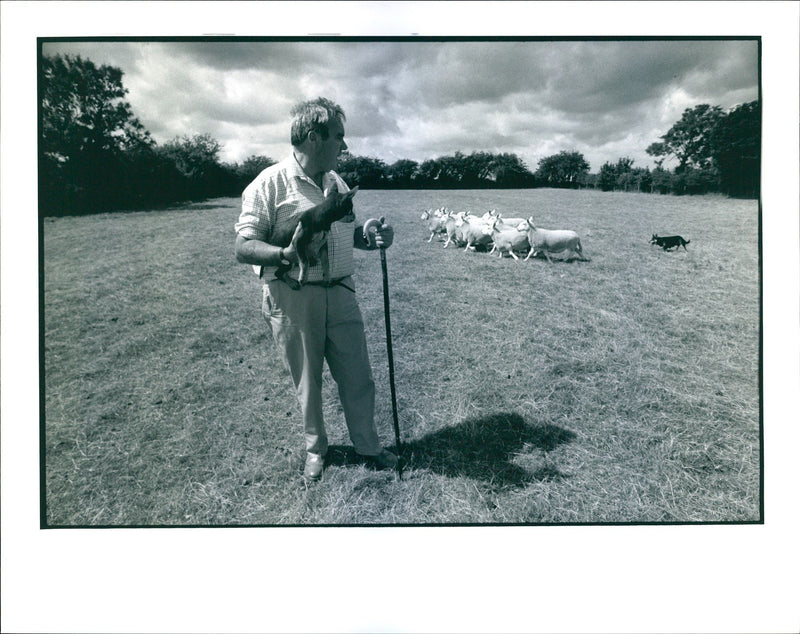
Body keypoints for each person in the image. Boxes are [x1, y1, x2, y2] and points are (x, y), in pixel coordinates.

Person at [234, 97, 398, 481]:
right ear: (313, 137)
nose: (345, 145)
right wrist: (284, 253)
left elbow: (350, 233)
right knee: (308, 381)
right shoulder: (269, 184)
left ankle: (368, 446)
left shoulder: (336, 183)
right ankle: (316, 451)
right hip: (293, 297)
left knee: (358, 376)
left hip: (341, 292)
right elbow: (243, 247)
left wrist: (370, 234)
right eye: (339, 137)